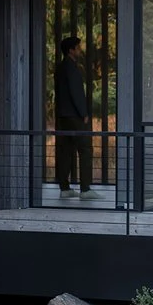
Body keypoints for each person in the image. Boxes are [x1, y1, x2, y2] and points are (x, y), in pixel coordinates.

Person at [53, 35, 94, 195]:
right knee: (85, 148)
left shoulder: (61, 67)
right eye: (78, 47)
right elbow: (76, 92)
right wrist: (83, 113)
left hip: (63, 115)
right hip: (74, 115)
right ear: (71, 50)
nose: (80, 50)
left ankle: (64, 187)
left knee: (66, 150)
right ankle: (85, 188)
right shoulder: (72, 68)